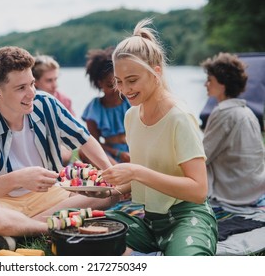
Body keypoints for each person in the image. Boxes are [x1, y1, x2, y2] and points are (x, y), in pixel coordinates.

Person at [0, 46, 119, 249]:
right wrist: (18, 179)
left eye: (32, 83)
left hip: (50, 195)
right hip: (1, 203)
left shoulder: (47, 103)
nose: (32, 93)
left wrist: (108, 174)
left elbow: (84, 138)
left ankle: (18, 229)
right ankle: (49, 227)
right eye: (21, 88)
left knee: (115, 191)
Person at [99, 18, 218, 256]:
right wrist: (102, 186)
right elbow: (145, 177)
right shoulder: (132, 116)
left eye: (132, 80)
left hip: (188, 217)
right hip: (150, 220)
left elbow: (198, 190)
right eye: (119, 82)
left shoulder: (179, 118)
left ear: (156, 72)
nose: (125, 89)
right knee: (85, 229)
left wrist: (135, 171)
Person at [201, 52, 265, 206]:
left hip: (234, 195)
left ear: (222, 84)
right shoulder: (247, 111)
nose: (206, 84)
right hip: (254, 189)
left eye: (210, 80)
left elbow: (202, 156)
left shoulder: (223, 112)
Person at [81, 47, 131, 164]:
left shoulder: (130, 101)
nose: (115, 90)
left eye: (118, 83)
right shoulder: (94, 109)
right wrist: (117, 153)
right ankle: (114, 169)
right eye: (110, 85)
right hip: (109, 154)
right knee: (84, 153)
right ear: (100, 83)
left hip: (135, 150)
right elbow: (94, 143)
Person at [32, 54, 75, 164]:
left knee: (62, 155)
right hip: (34, 144)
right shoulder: (27, 102)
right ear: (35, 82)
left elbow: (73, 134)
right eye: (49, 80)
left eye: (55, 79)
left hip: (60, 145)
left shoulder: (64, 100)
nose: (55, 85)